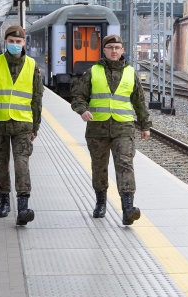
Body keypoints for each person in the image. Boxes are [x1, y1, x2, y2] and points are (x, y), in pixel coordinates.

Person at [70, 34, 152, 225]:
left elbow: (139, 102)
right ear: (104, 50)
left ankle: (128, 208)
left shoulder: (131, 73)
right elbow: (77, 96)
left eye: (117, 47)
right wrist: (82, 110)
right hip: (97, 129)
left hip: (123, 128)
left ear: (122, 50)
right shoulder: (93, 72)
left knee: (125, 165)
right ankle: (100, 203)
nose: (114, 51)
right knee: (99, 167)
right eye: (110, 48)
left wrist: (145, 125)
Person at [0, 25, 44, 226]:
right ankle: (4, 201)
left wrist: (36, 126)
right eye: (11, 42)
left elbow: (37, 99)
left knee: (22, 163)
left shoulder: (32, 66)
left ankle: (23, 207)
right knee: (1, 164)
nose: (15, 45)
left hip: (23, 124)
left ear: (24, 43)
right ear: (6, 42)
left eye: (18, 42)